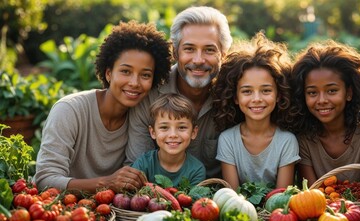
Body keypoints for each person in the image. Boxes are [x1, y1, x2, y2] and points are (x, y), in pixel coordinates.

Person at [34, 21, 172, 193]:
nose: (134, 83)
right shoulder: (69, 110)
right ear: (108, 73)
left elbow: (135, 177)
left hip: (111, 211)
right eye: (125, 71)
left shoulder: (142, 117)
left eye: (145, 75)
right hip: (60, 209)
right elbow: (45, 179)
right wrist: (106, 183)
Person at [126, 6, 233, 179]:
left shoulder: (234, 95)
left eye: (209, 50)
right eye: (189, 49)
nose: (198, 60)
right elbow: (136, 170)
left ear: (223, 54)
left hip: (214, 198)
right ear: (175, 53)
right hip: (157, 197)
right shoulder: (150, 94)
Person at [289, 40, 360, 186]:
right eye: (312, 92)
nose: (322, 100)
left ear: (348, 93)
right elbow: (311, 195)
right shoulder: (303, 141)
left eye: (332, 91)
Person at [212, 32, 300, 190]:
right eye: (247, 91)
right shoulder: (227, 140)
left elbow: (282, 196)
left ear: (279, 94)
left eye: (266, 91)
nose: (257, 98)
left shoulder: (287, 141)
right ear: (235, 97)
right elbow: (233, 196)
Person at [131, 93, 206, 186]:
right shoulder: (143, 164)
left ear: (193, 132)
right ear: (153, 132)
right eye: (164, 127)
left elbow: (194, 200)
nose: (173, 135)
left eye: (182, 127)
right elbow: (133, 196)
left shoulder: (196, 170)